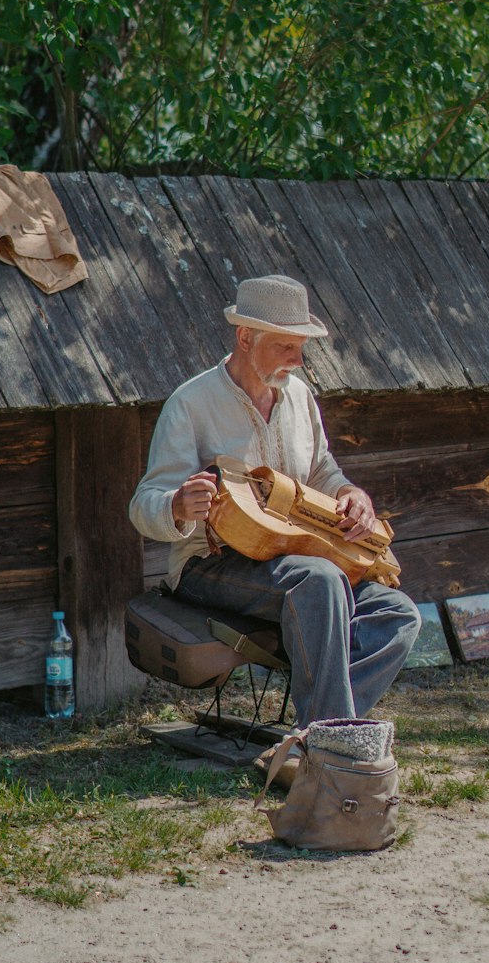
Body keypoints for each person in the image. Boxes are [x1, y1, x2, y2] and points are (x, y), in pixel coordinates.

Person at [129, 274, 421, 727]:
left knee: (397, 612)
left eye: (301, 347)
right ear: (245, 337)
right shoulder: (191, 403)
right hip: (210, 564)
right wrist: (177, 506)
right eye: (287, 346)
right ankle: (332, 739)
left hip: (294, 557)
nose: (299, 359)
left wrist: (350, 493)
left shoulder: (300, 397)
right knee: (320, 581)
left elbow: (323, 471)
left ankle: (318, 729)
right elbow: (143, 504)